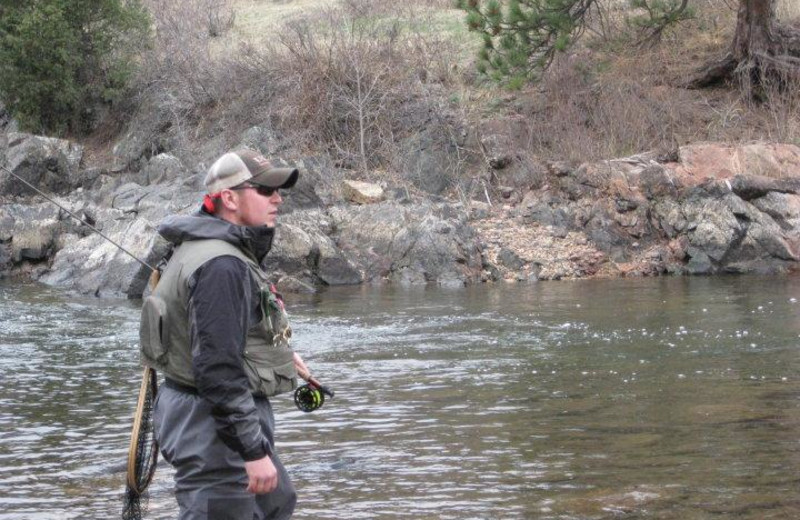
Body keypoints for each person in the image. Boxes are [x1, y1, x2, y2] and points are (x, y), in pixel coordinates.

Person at [140, 149, 311, 519]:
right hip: (212, 428)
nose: (277, 199)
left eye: (278, 191)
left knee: (277, 502)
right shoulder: (221, 265)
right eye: (265, 191)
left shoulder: (207, 246)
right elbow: (217, 370)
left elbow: (220, 335)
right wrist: (251, 451)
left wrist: (276, 355)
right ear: (229, 198)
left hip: (210, 417)